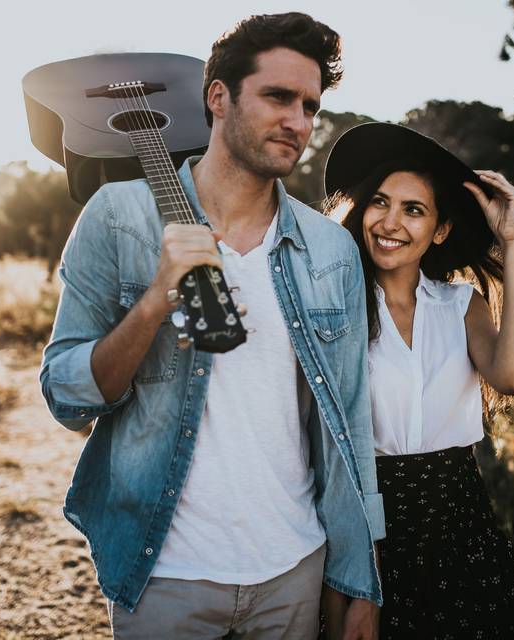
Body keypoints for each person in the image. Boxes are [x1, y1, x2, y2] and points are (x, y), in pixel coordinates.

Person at [39, 13, 385, 640]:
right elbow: (66, 396)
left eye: (310, 105)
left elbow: (349, 426)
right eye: (278, 97)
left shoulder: (331, 249)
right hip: (166, 576)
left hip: (293, 571)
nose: (299, 122)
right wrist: (151, 306)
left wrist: (360, 578)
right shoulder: (119, 217)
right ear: (217, 98)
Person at [322, 122, 514, 639]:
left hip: (459, 518)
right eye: (380, 202)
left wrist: (512, 245)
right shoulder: (333, 308)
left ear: (440, 230)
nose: (390, 222)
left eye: (414, 209)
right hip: (366, 517)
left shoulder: (459, 306)